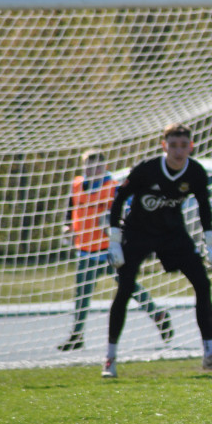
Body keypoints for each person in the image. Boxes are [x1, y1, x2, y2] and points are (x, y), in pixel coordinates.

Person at [102, 123, 212, 378]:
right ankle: (110, 358)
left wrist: (209, 242)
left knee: (202, 284)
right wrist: (115, 240)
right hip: (138, 233)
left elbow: (204, 205)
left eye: (183, 145)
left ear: (191, 147)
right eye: (173, 145)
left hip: (173, 235)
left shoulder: (195, 172)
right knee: (125, 289)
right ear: (164, 146)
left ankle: (210, 354)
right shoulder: (147, 169)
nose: (178, 151)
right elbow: (118, 199)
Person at [56, 150, 172, 352]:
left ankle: (158, 316)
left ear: (105, 167)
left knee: (129, 287)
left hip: (110, 250)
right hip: (85, 249)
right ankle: (77, 335)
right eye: (89, 166)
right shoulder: (77, 186)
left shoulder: (114, 188)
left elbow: (131, 211)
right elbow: (70, 212)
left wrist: (115, 223)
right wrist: (67, 227)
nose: (93, 170)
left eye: (97, 167)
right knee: (82, 295)